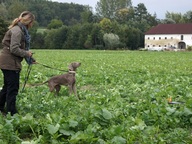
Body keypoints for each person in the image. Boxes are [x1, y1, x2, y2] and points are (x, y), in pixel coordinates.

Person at [0, 11, 36, 116]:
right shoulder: (18, 31)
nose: (32, 25)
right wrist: (26, 53)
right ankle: (12, 112)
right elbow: (14, 49)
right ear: (29, 22)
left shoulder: (18, 29)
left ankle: (1, 106)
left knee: (8, 86)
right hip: (10, 63)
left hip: (8, 62)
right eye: (32, 22)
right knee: (13, 88)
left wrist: (30, 58)